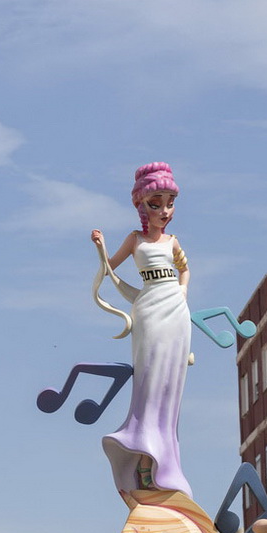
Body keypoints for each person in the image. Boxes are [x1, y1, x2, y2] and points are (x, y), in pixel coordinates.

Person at [91, 161, 193, 498]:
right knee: (149, 382)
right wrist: (101, 249)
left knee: (170, 386)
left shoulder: (173, 242)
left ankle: (163, 465)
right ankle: (143, 457)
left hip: (175, 311)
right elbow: (109, 269)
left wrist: (182, 291)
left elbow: (185, 270)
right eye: (156, 203)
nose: (164, 211)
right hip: (149, 311)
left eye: (170, 203)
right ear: (141, 205)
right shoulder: (135, 240)